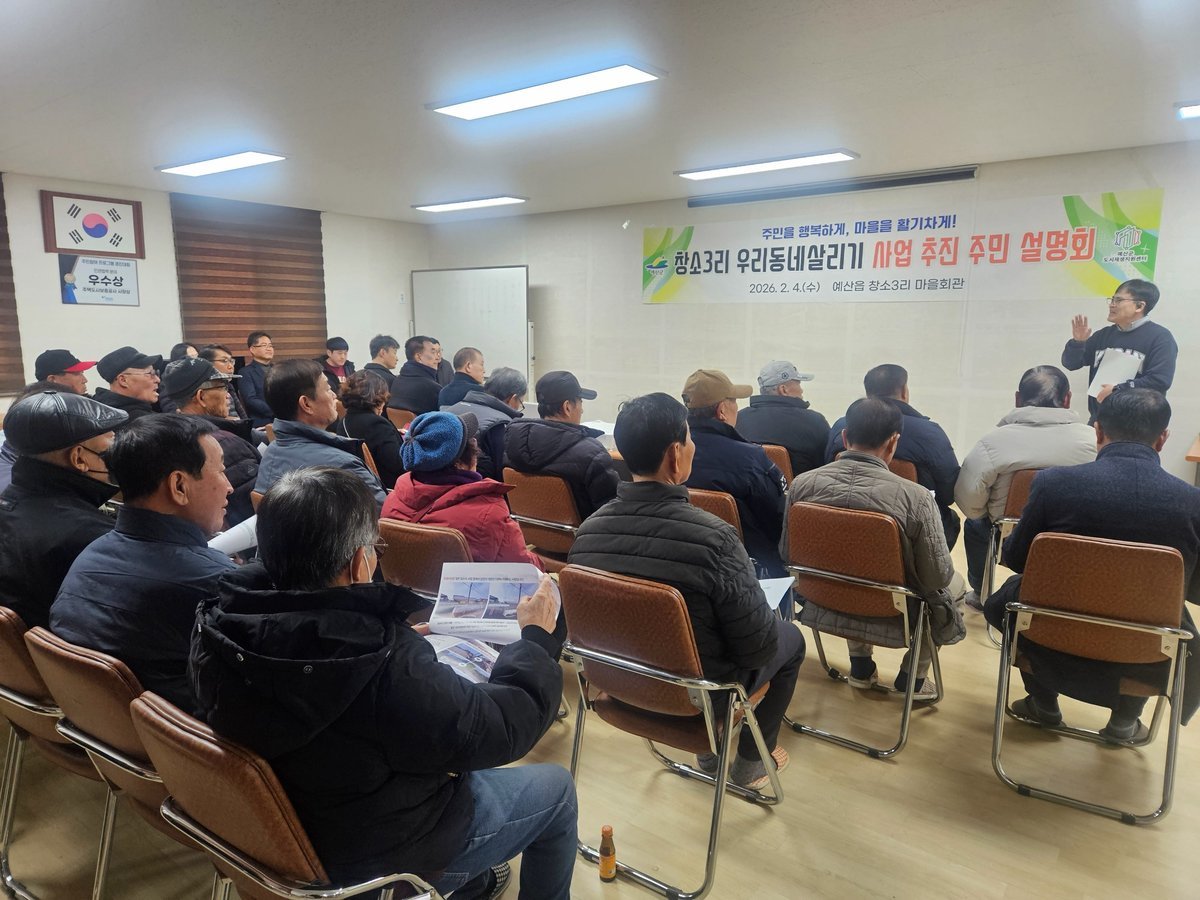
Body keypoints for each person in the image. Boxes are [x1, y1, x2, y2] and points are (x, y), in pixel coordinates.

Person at [190, 467, 575, 897]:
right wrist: (535, 642)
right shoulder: (382, 667)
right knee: (557, 791)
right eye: (376, 547)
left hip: (281, 834)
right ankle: (461, 877)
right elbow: (499, 729)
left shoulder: (218, 624)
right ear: (360, 562)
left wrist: (393, 638)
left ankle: (473, 883)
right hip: (380, 855)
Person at [569, 392, 804, 789]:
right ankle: (750, 763)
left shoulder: (587, 534)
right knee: (790, 639)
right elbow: (757, 649)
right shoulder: (715, 538)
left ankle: (710, 754)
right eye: (690, 439)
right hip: (700, 696)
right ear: (675, 455)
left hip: (618, 685)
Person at [983, 389, 1200, 739]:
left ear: (1097, 430)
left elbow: (1018, 558)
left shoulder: (1053, 484)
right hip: (1145, 650)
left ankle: (1043, 702)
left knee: (1014, 599)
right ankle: (1125, 721)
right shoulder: (1193, 503)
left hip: (1049, 636)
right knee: (1164, 617)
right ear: (1162, 438)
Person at [50, 415, 235, 713]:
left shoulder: (90, 555)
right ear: (179, 485)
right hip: (185, 736)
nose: (229, 486)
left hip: (101, 728)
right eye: (221, 471)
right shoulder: (215, 582)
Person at [783, 398, 964, 700]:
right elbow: (936, 577)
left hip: (824, 597)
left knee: (847, 565)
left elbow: (787, 552)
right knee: (955, 587)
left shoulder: (802, 485)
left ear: (844, 437)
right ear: (893, 442)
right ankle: (913, 679)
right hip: (893, 606)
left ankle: (861, 666)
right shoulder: (916, 497)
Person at [954, 365, 1095, 608]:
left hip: (1008, 539)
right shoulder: (1093, 441)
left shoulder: (992, 442)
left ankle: (980, 593)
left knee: (975, 525)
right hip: (1073, 538)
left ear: (1018, 399)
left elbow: (969, 502)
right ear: (1068, 399)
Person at [0, 390, 126, 629]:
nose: (118, 458)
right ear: (79, 458)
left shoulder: (9, 503)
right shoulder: (92, 536)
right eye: (110, 449)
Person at [826, 364, 961, 549]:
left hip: (842, 526)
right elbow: (948, 493)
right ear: (904, 391)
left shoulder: (841, 426)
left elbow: (827, 468)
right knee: (950, 518)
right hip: (909, 537)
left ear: (868, 393)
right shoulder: (930, 433)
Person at [384, 411, 542, 567]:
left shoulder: (392, 500)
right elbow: (525, 568)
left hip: (404, 583)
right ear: (459, 463)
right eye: (472, 443)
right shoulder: (488, 513)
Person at [680, 368, 787, 576]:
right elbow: (778, 523)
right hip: (746, 570)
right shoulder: (751, 459)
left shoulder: (671, 455)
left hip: (688, 562)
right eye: (734, 401)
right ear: (722, 411)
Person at [255, 359, 386, 509]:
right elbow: (387, 517)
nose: (334, 395)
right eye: (328, 389)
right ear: (306, 404)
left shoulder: (271, 453)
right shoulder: (342, 465)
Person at [504, 370, 619, 519]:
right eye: (580, 402)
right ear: (567, 407)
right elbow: (612, 511)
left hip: (525, 530)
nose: (582, 410)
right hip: (584, 532)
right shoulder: (592, 453)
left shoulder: (511, 442)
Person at [161, 358, 260, 528]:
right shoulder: (224, 444)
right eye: (223, 387)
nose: (228, 395)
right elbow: (252, 509)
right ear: (201, 397)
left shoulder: (169, 435)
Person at [1063, 278, 1177, 422]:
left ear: (1139, 306)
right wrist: (1078, 342)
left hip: (1139, 422)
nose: (1112, 305)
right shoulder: (1103, 335)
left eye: (1118, 300)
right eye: (1112, 300)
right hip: (1100, 419)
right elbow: (1071, 364)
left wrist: (1118, 389)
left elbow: (1159, 381)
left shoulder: (1161, 337)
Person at [735, 360, 831, 479]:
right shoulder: (815, 421)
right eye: (798, 384)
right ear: (783, 389)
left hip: (744, 489)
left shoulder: (739, 418)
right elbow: (828, 467)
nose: (802, 390)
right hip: (797, 490)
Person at [442, 366, 526, 479]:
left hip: (436, 483)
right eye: (520, 402)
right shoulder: (501, 425)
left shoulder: (451, 410)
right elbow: (502, 474)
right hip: (474, 486)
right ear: (512, 398)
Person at [331, 370, 403, 489]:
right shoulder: (376, 424)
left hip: (360, 485)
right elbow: (399, 465)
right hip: (388, 487)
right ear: (378, 397)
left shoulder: (344, 422)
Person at [93, 345, 163, 421]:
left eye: (156, 373)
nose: (158, 380)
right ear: (123, 380)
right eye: (151, 374)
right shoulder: (141, 422)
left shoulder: (98, 414)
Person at [387, 335, 443, 415]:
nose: (438, 358)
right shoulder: (432, 387)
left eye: (439, 352)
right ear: (418, 357)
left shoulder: (397, 381)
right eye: (433, 352)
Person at [200, 344, 252, 421]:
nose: (231, 366)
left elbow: (242, 417)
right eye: (224, 361)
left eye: (231, 361)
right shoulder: (205, 389)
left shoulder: (229, 385)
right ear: (208, 364)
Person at [239, 331, 275, 427]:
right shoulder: (245, 372)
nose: (269, 349)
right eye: (264, 345)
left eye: (270, 346)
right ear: (252, 349)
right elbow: (251, 400)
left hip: (284, 418)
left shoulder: (279, 369)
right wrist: (276, 411)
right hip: (263, 421)